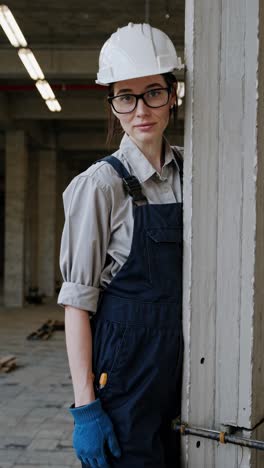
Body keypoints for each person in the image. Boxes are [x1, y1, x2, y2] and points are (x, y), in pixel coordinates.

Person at [58, 22, 184, 468]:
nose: (140, 110)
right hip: (128, 373)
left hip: (187, 366)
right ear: (113, 104)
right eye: (125, 97)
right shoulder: (99, 186)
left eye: (152, 92)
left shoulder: (194, 172)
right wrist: (87, 408)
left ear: (173, 94)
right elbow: (77, 303)